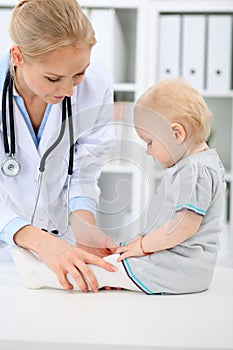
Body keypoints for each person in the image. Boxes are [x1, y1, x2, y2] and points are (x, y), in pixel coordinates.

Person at [12, 78, 226, 294]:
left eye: (149, 142)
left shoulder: (195, 171)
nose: (148, 152)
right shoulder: (199, 165)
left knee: (108, 269)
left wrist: (142, 246)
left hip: (180, 269)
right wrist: (138, 245)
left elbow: (183, 227)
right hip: (180, 267)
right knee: (118, 260)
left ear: (177, 133)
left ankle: (41, 275)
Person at [0, 0, 119, 293]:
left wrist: (85, 230)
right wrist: (39, 242)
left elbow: (83, 171)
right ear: (18, 56)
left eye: (79, 74)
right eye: (53, 78)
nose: (68, 91)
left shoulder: (97, 84)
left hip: (59, 249)